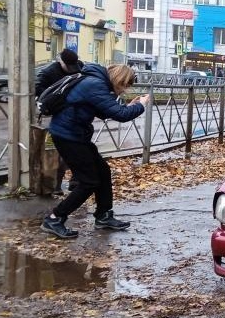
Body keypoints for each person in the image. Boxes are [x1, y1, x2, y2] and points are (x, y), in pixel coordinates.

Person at [41, 64, 150, 239]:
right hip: (68, 136)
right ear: (119, 79)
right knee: (88, 181)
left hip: (76, 135)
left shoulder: (95, 82)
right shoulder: (94, 84)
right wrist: (141, 106)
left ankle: (103, 216)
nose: (124, 90)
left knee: (103, 171)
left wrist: (128, 106)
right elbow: (121, 115)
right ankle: (54, 218)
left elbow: (104, 111)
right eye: (124, 85)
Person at [35, 49, 84, 195]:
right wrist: (55, 101)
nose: (71, 69)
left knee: (80, 148)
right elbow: (39, 90)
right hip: (60, 115)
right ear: (60, 61)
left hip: (77, 114)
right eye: (67, 66)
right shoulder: (49, 72)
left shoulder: (79, 66)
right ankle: (55, 185)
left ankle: (75, 182)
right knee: (59, 151)